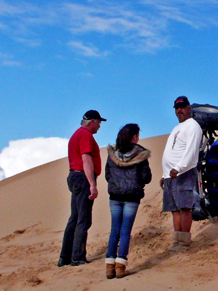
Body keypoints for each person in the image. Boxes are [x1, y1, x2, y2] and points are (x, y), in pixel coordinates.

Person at [104, 123, 152, 279]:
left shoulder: (112, 154)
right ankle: (120, 266)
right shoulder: (140, 155)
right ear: (134, 137)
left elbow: (107, 175)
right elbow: (146, 177)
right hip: (132, 197)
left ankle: (110, 267)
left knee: (114, 231)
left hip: (115, 197)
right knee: (125, 232)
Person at [58, 109, 105, 267]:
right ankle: (77, 257)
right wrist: (92, 184)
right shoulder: (85, 135)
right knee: (83, 219)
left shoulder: (77, 134)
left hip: (75, 177)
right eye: (99, 122)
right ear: (92, 121)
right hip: (82, 178)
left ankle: (65, 257)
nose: (99, 125)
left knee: (75, 218)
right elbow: (86, 159)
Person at [161, 96, 202, 249]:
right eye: (177, 108)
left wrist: (178, 168)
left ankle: (184, 242)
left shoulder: (193, 126)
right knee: (174, 209)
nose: (179, 110)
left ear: (189, 108)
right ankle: (177, 240)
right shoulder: (176, 128)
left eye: (182, 107)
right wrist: (165, 174)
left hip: (182, 173)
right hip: (170, 175)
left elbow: (191, 153)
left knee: (184, 208)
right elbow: (171, 152)